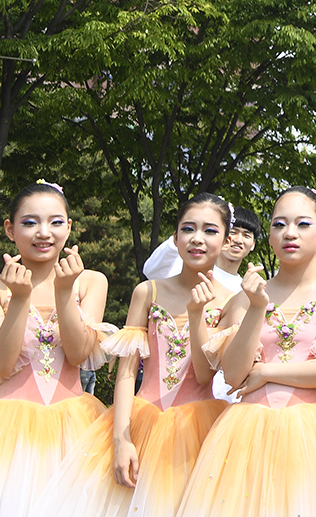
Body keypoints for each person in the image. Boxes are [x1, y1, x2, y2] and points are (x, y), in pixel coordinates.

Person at [176, 186, 316, 517]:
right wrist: (256, 308)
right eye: (279, 224)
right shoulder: (246, 296)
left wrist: (267, 371)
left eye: (303, 224)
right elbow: (235, 375)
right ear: (268, 236)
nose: (289, 233)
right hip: (247, 434)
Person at [44, 193, 234, 517]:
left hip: (200, 432)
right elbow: (127, 371)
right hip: (140, 421)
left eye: (210, 230)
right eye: (188, 228)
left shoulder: (233, 301)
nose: (197, 238)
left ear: (227, 240)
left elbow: (205, 375)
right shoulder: (148, 291)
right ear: (175, 237)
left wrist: (197, 315)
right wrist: (121, 439)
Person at [0, 181, 109, 516]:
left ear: (69, 227)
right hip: (7, 425)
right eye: (30, 222)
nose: (44, 232)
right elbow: (1, 364)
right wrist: (19, 298)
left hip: (75, 425)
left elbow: (79, 356)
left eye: (56, 222)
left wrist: (64, 293)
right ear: (10, 229)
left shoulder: (91, 281)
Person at [142, 181, 316, 283]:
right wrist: (193, 225)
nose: (237, 240)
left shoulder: (247, 289)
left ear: (254, 244)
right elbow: (152, 270)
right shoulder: (189, 271)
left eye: (247, 235)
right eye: (233, 232)